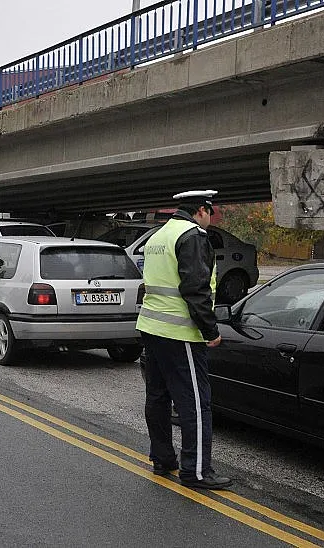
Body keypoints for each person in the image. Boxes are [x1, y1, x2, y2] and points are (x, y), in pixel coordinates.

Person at [136, 189, 231, 490]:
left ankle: (162, 458)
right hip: (181, 333)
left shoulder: (159, 236)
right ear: (201, 210)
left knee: (158, 398)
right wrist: (210, 331)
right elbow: (196, 288)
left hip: (152, 329)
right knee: (196, 405)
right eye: (210, 213)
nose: (210, 219)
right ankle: (197, 471)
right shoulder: (193, 236)